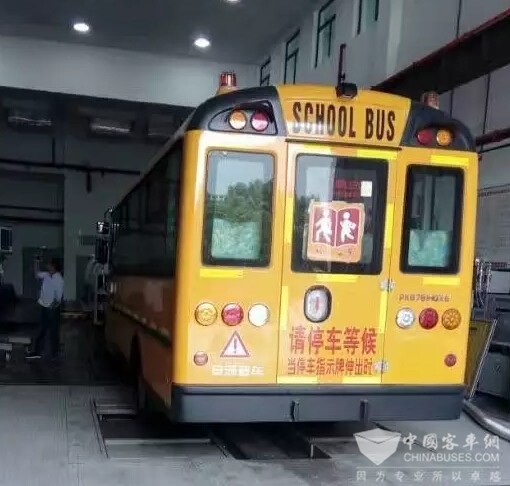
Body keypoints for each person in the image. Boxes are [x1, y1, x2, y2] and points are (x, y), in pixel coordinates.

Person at [26, 257, 64, 360]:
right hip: (44, 306)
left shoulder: (59, 279)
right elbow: (36, 274)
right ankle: (37, 352)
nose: (47, 266)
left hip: (52, 309)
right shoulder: (46, 275)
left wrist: (52, 307)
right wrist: (36, 262)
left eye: (49, 264)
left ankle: (55, 354)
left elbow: (58, 297)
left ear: (54, 266)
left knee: (53, 332)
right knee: (42, 330)